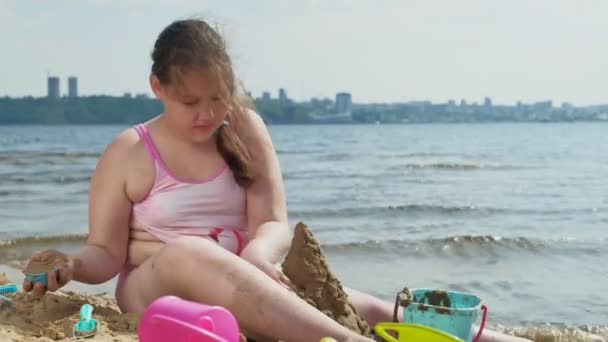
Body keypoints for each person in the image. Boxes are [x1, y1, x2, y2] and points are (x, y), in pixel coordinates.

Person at [22, 19, 529, 342]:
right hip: (158, 287)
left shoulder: (244, 127)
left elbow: (272, 221)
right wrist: (71, 264)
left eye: (217, 98)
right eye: (189, 102)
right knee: (190, 252)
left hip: (248, 278)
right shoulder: (130, 150)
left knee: (362, 303)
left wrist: (259, 256)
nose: (206, 114)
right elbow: (106, 251)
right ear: (157, 87)